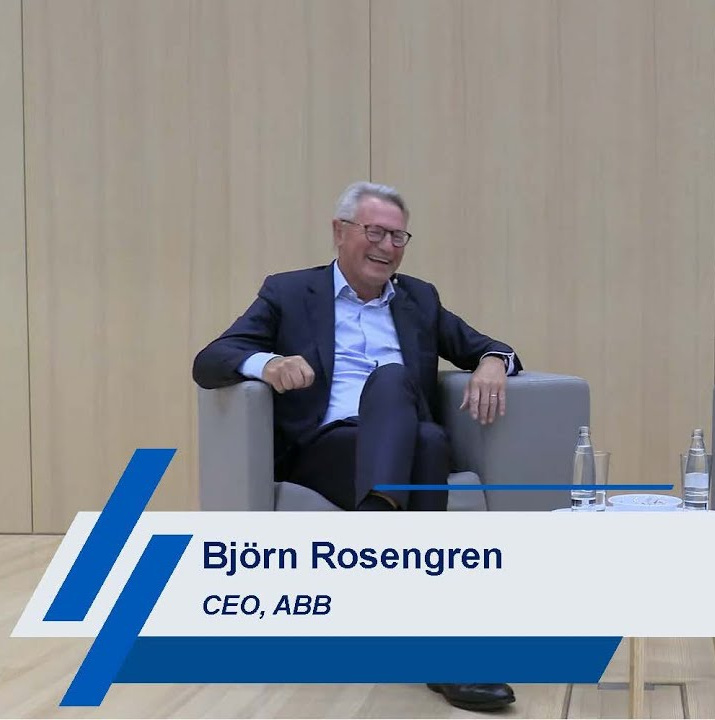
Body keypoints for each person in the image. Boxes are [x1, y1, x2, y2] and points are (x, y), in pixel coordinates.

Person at [193, 181, 519, 712]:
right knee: (420, 427)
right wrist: (268, 364)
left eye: (398, 236)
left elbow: (490, 346)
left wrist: (491, 362)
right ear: (340, 232)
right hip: (327, 447)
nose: (387, 246)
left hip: (408, 447)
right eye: (375, 232)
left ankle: (378, 530)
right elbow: (210, 359)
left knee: (416, 419)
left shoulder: (419, 299)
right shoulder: (289, 292)